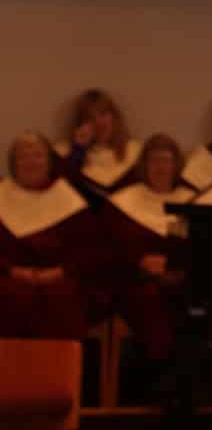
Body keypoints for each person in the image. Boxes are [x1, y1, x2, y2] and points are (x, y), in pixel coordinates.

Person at [103, 134, 193, 371]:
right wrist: (139, 262)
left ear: (176, 165)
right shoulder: (123, 201)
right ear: (144, 166)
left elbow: (201, 247)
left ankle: (187, 380)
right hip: (134, 280)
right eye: (154, 161)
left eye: (166, 160)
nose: (160, 167)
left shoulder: (192, 200)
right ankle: (158, 376)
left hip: (180, 278)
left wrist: (174, 267)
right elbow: (110, 247)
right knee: (151, 300)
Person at [0, 131, 102, 339]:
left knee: (62, 296)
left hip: (61, 277)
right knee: (13, 296)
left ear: (48, 161)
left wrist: (61, 271)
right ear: (13, 163)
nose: (31, 161)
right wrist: (13, 271)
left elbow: (89, 248)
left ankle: (61, 369)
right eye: (23, 156)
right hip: (10, 277)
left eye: (37, 155)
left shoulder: (68, 198)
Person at [58, 89, 143, 198]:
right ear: (80, 123)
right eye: (90, 118)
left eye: (103, 114)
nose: (99, 122)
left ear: (114, 117)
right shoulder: (66, 152)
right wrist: (79, 149)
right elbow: (64, 189)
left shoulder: (136, 152)